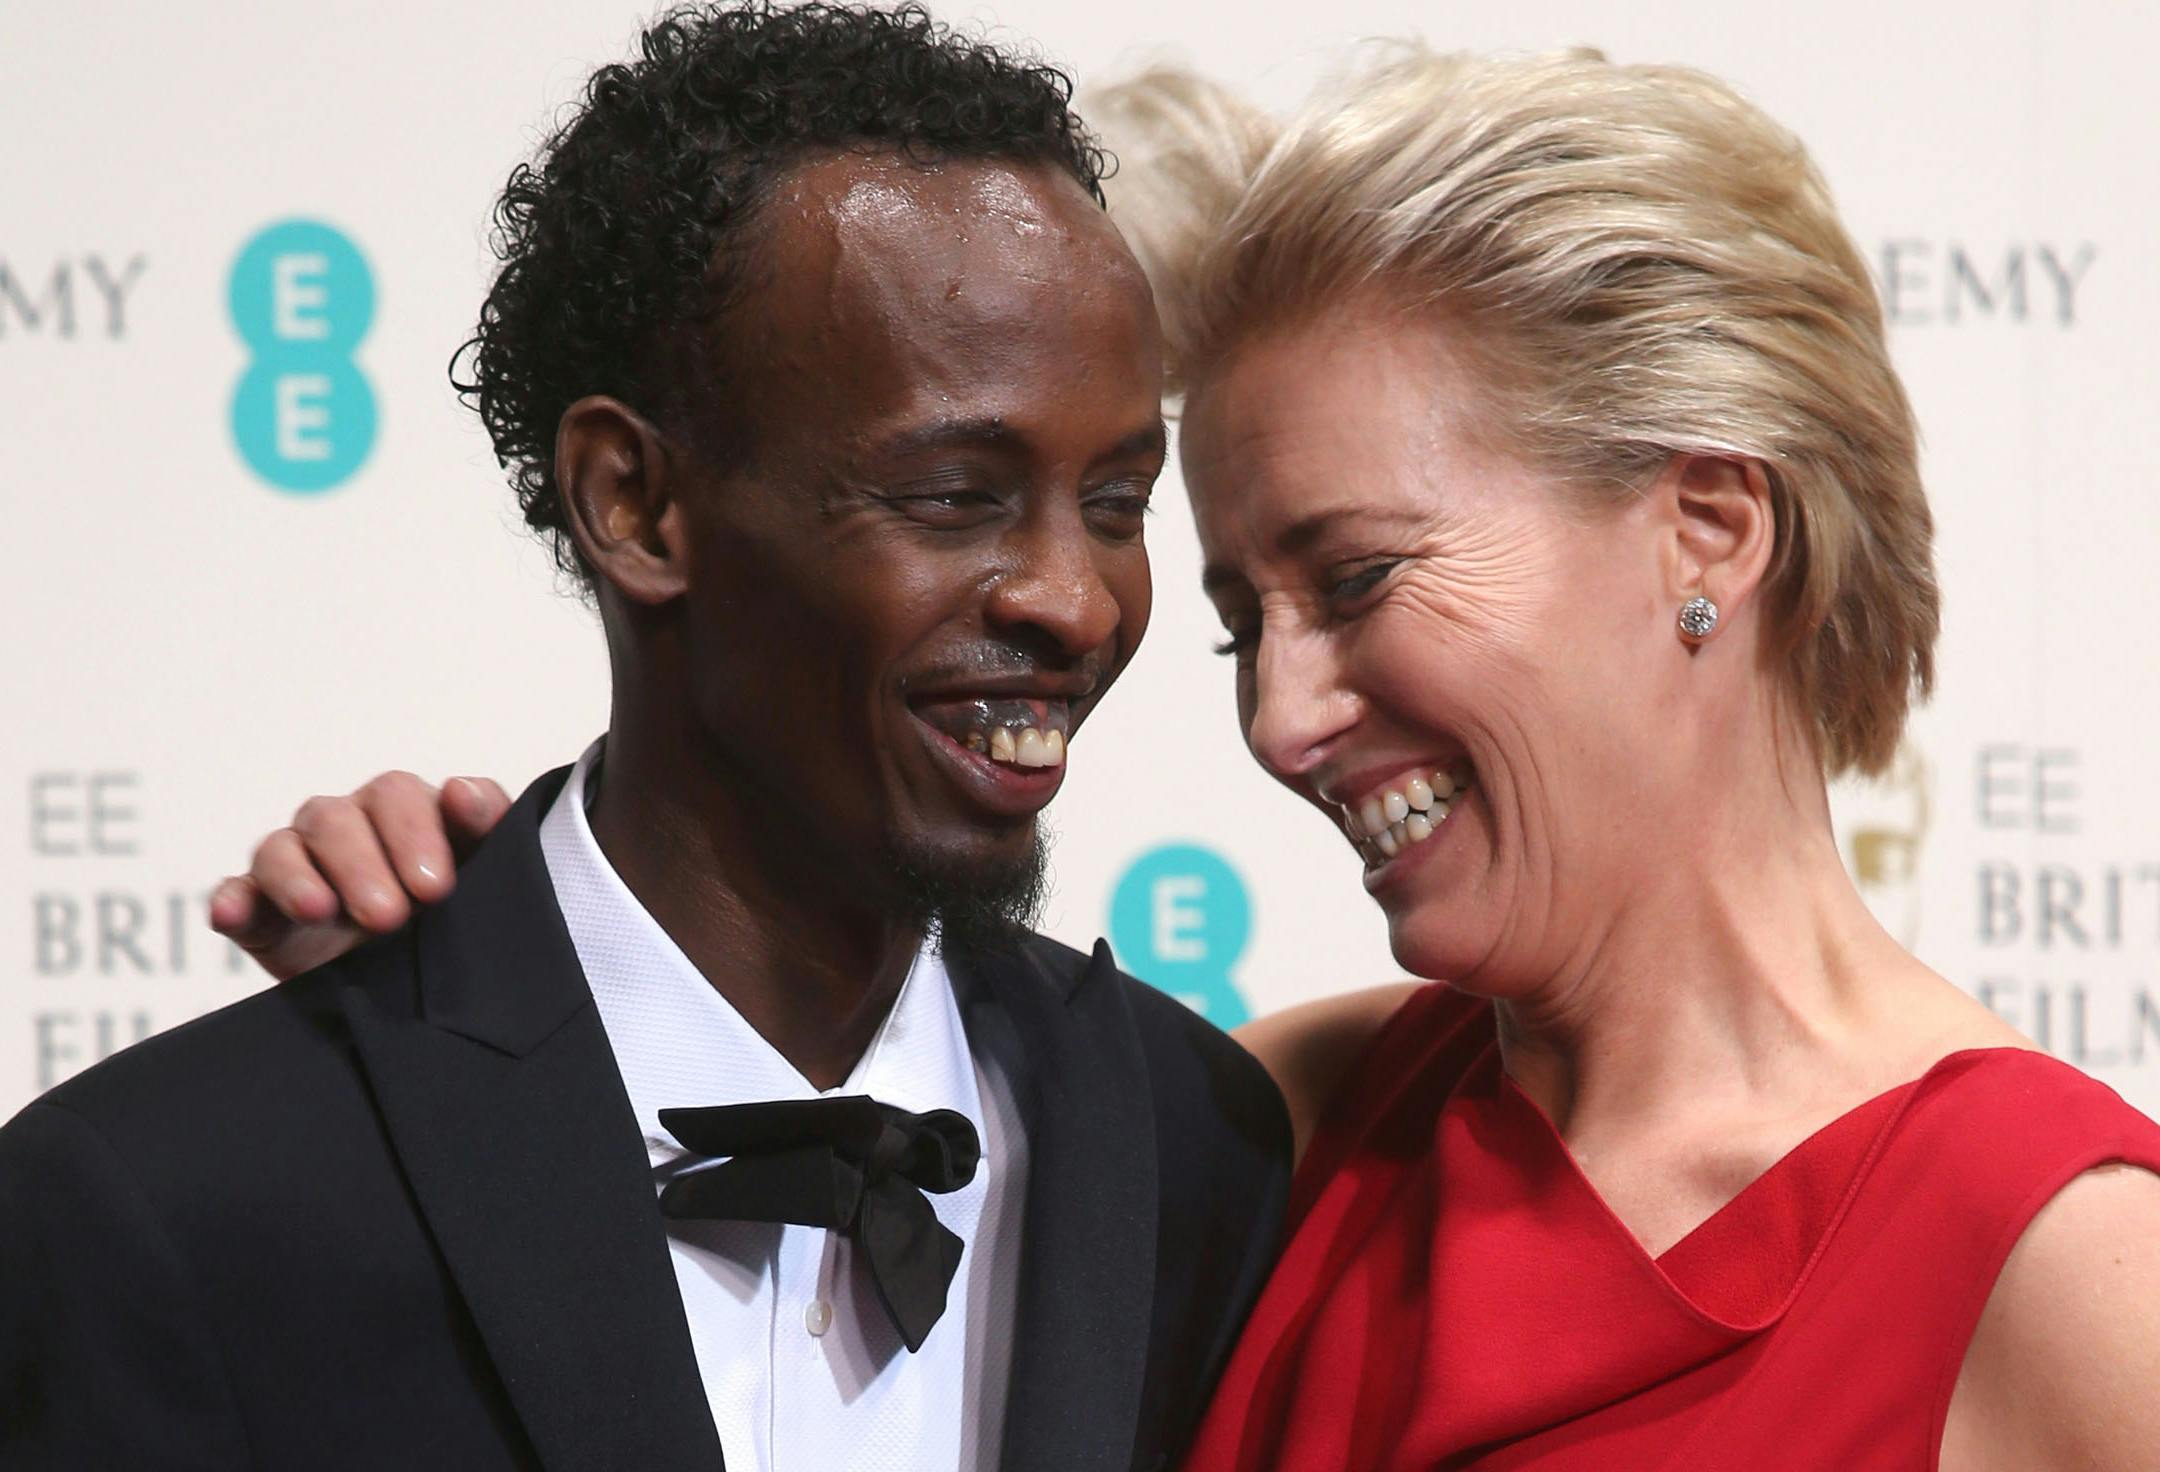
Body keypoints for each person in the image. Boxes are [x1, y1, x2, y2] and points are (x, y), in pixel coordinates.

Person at [240, 43, 2160, 1472]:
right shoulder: (1270, 1125)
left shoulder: (2074, 1272)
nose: (1279, 717)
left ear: (1711, 531)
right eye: (1247, 616)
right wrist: (464, 1025)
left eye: (1360, 577)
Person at [0, 8, 1290, 1471]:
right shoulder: (182, 1201)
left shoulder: (1195, 1150)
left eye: (1117, 504)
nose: (1073, 597)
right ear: (634, 503)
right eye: (951, 496)